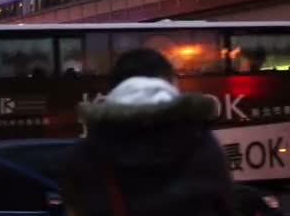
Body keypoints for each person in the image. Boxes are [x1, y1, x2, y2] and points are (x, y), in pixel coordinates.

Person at [60, 48, 235, 216]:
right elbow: (224, 205)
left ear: (112, 88)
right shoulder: (203, 143)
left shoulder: (84, 154)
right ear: (170, 81)